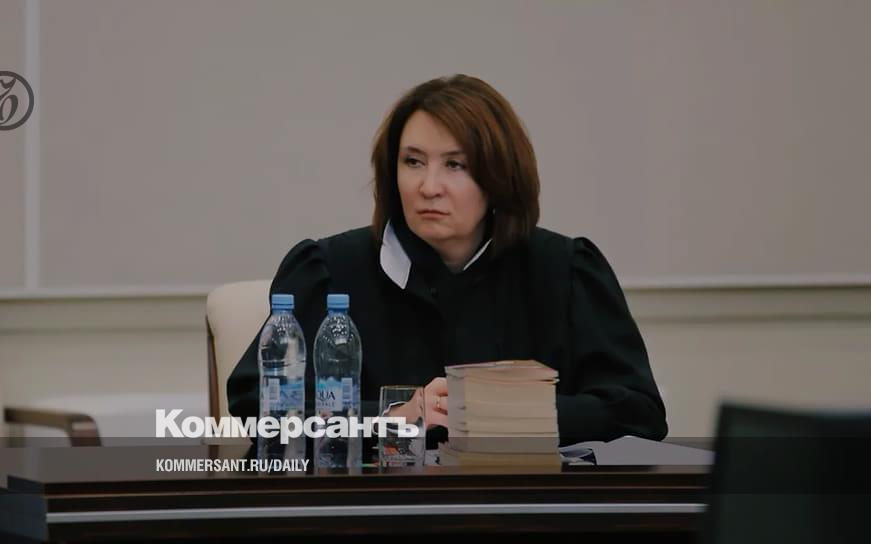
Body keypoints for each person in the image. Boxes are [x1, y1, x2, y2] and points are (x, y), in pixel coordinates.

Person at [227, 74, 667, 447]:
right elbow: (258, 409)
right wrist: (393, 417)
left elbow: (638, 412)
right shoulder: (329, 270)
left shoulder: (565, 270)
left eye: (455, 165)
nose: (429, 186)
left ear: (499, 176)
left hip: (521, 507)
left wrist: (507, 415)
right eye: (413, 162)